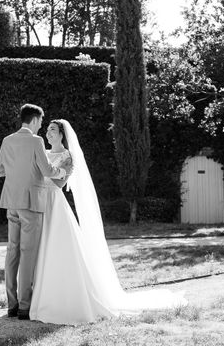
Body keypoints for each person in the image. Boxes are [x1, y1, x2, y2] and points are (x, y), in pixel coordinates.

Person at [29, 119, 187, 325]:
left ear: (61, 135)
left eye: (52, 130)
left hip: (55, 204)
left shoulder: (68, 156)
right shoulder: (43, 153)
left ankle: (67, 300)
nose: (47, 133)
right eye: (47, 129)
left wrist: (48, 171)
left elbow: (59, 182)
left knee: (59, 248)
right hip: (40, 203)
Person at [0, 104, 72, 320]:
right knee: (28, 253)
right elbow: (47, 171)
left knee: (12, 251)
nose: (42, 126)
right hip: (31, 203)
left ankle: (11, 305)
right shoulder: (36, 141)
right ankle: (24, 307)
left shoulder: (7, 140)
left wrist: (17, 170)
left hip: (11, 202)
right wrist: (62, 170)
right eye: (41, 121)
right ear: (36, 120)